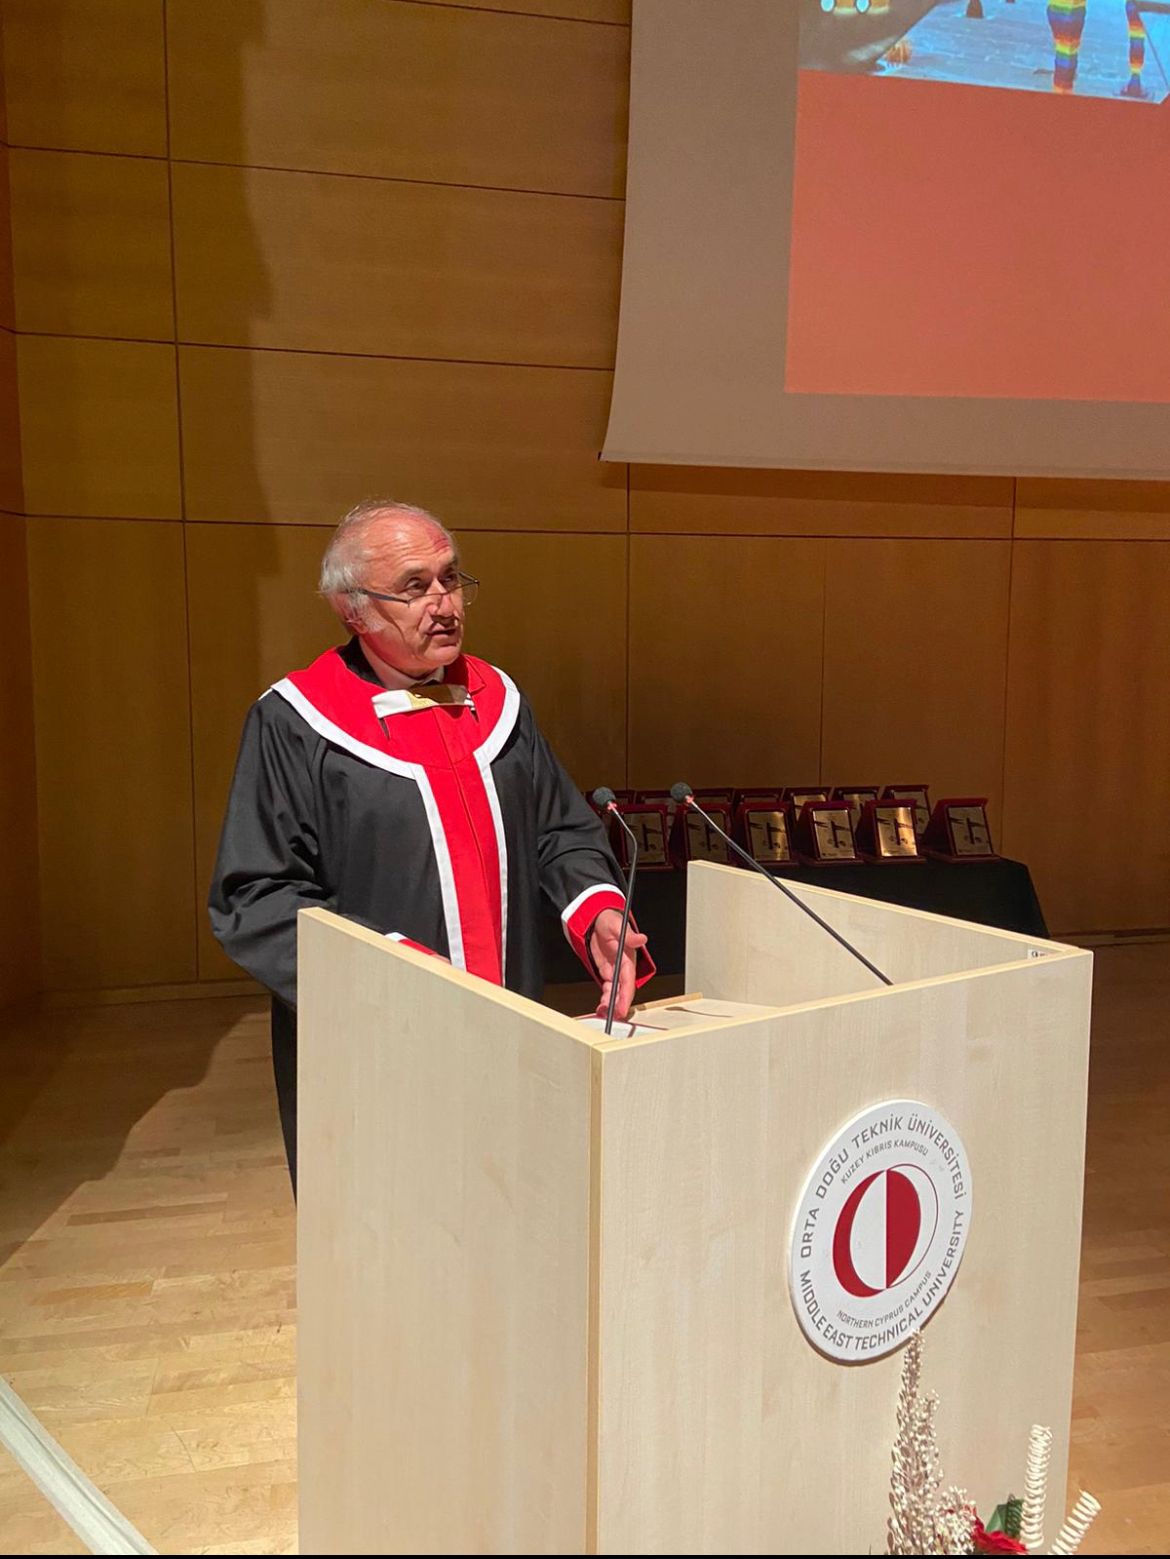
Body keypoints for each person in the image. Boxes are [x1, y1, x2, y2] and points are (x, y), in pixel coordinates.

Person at [209, 500, 653, 1188]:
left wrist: (596, 909)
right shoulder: (295, 723)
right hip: (380, 1045)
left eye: (451, 578)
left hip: (513, 1023)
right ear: (352, 609)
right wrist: (390, 967)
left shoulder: (497, 701)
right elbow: (256, 895)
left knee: (513, 1199)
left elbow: (561, 829)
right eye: (414, 587)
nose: (444, 604)